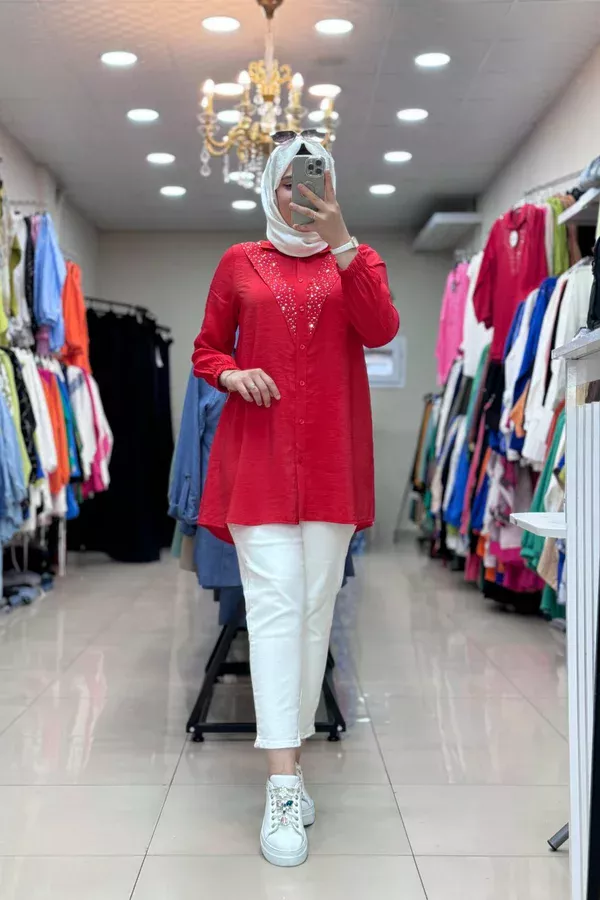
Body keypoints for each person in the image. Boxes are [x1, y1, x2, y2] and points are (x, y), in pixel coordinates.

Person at [192, 133, 399, 867]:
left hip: (333, 466)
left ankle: (294, 764)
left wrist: (342, 241)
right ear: (271, 187)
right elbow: (207, 347)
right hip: (260, 462)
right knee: (276, 614)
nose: (302, 194)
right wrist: (230, 374)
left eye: (316, 181)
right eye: (290, 182)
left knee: (315, 618)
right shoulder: (238, 262)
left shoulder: (359, 260)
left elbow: (381, 329)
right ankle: (281, 787)